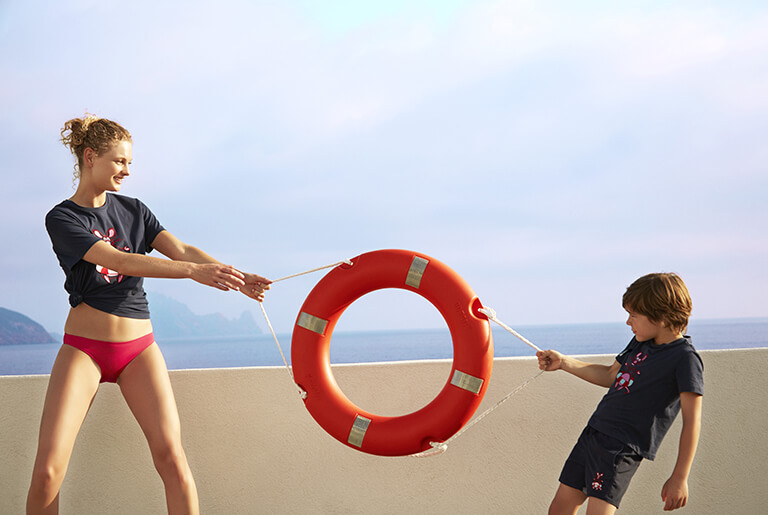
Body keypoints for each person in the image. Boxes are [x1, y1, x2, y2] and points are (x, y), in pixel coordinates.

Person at [27, 114, 271, 515]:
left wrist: (236, 277)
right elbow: (120, 259)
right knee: (48, 472)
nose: (126, 170)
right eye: (119, 161)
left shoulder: (135, 210)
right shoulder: (63, 218)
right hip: (84, 351)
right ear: (90, 157)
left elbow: (183, 250)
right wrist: (194, 274)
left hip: (138, 349)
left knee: (172, 460)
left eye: (129, 163)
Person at [536, 273, 703, 514]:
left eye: (633, 315)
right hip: (593, 434)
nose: (628, 322)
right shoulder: (640, 343)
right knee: (559, 509)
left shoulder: (685, 358)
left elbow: (692, 422)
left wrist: (679, 477)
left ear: (662, 317)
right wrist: (564, 363)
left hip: (620, 449)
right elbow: (612, 375)